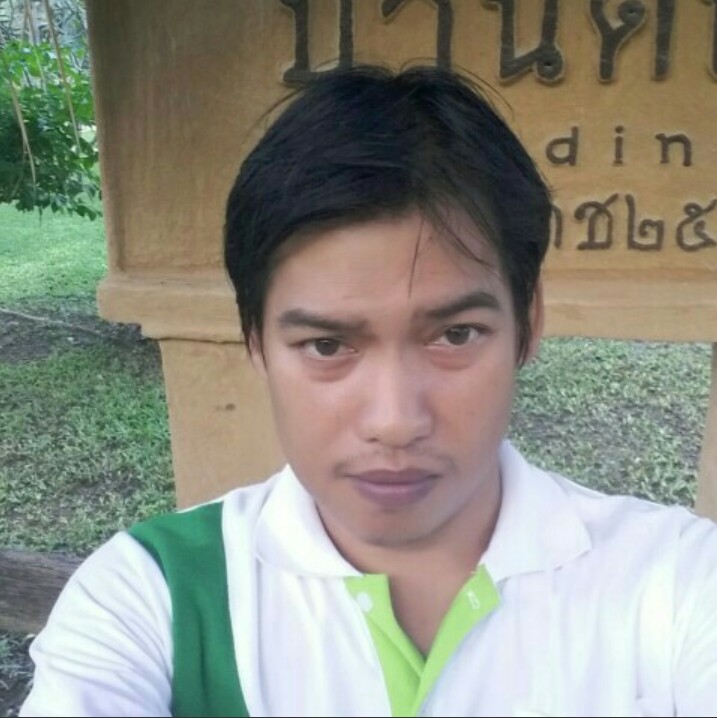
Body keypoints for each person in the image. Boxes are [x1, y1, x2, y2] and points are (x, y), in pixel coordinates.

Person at [21, 65, 717, 718]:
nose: (394, 421)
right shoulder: (154, 599)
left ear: (527, 324)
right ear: (255, 342)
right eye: (327, 346)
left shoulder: (675, 582)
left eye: (455, 335)